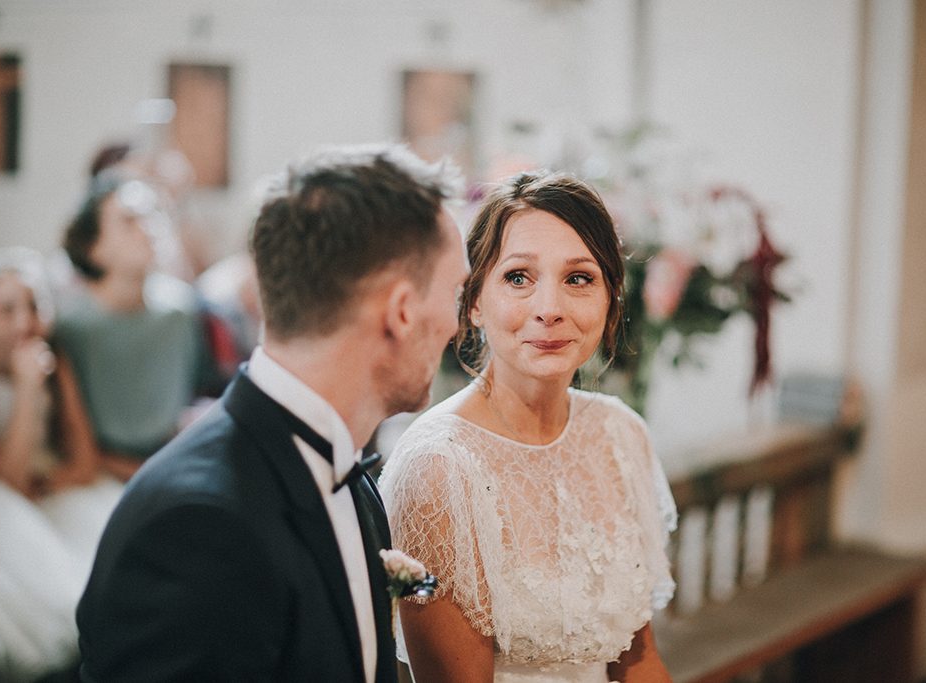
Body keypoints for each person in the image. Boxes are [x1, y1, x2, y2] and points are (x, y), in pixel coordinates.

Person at [76, 144, 468, 682]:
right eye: (455, 291)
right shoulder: (197, 529)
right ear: (401, 311)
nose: (458, 324)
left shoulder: (350, 475)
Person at [379, 171, 678, 683]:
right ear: (473, 301)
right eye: (518, 277)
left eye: (578, 279)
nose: (550, 310)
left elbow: (639, 660)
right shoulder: (439, 469)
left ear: (610, 301)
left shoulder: (620, 436)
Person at [0, 248, 122, 682]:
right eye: (6, 310)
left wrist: (51, 482)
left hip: (53, 487)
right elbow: (5, 480)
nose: (24, 322)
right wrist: (27, 390)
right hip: (3, 499)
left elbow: (83, 461)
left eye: (33, 306)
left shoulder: (56, 362)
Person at [55, 172, 220, 481]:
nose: (149, 229)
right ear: (94, 247)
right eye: (129, 220)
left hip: (172, 464)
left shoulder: (181, 310)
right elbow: (72, 442)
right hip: (98, 475)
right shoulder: (71, 328)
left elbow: (191, 400)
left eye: (153, 215)